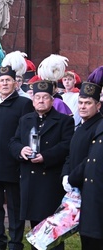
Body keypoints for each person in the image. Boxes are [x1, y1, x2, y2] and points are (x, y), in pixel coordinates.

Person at [9, 80, 74, 250]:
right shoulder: (25, 119)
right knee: (36, 227)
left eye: (45, 97)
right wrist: (20, 150)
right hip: (29, 180)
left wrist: (46, 156)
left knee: (52, 225)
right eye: (37, 97)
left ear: (52, 100)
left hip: (50, 180)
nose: (41, 101)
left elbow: (67, 145)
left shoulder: (63, 121)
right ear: (33, 100)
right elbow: (13, 141)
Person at [0, 65, 34, 250]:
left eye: (8, 80)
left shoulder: (24, 104)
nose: (4, 83)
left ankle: (15, 242)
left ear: (15, 83)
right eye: (1, 80)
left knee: (14, 207)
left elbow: (27, 135)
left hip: (13, 163)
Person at [67, 67, 103, 250]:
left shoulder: (98, 126)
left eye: (87, 103)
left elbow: (91, 159)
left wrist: (72, 177)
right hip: (79, 190)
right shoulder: (80, 126)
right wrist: (66, 177)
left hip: (93, 188)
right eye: (80, 102)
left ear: (98, 105)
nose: (82, 106)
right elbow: (70, 154)